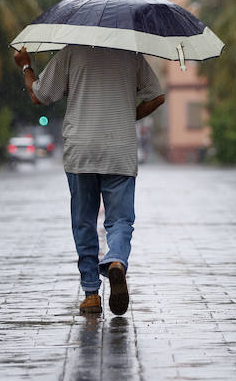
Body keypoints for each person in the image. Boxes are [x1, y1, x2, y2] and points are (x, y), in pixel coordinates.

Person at [13, 45, 164, 315]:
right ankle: (116, 260)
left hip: (81, 150)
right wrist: (129, 115)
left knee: (84, 221)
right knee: (120, 220)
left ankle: (91, 294)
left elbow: (40, 95)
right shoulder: (131, 55)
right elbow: (157, 96)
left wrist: (25, 66)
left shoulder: (70, 53)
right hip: (119, 149)